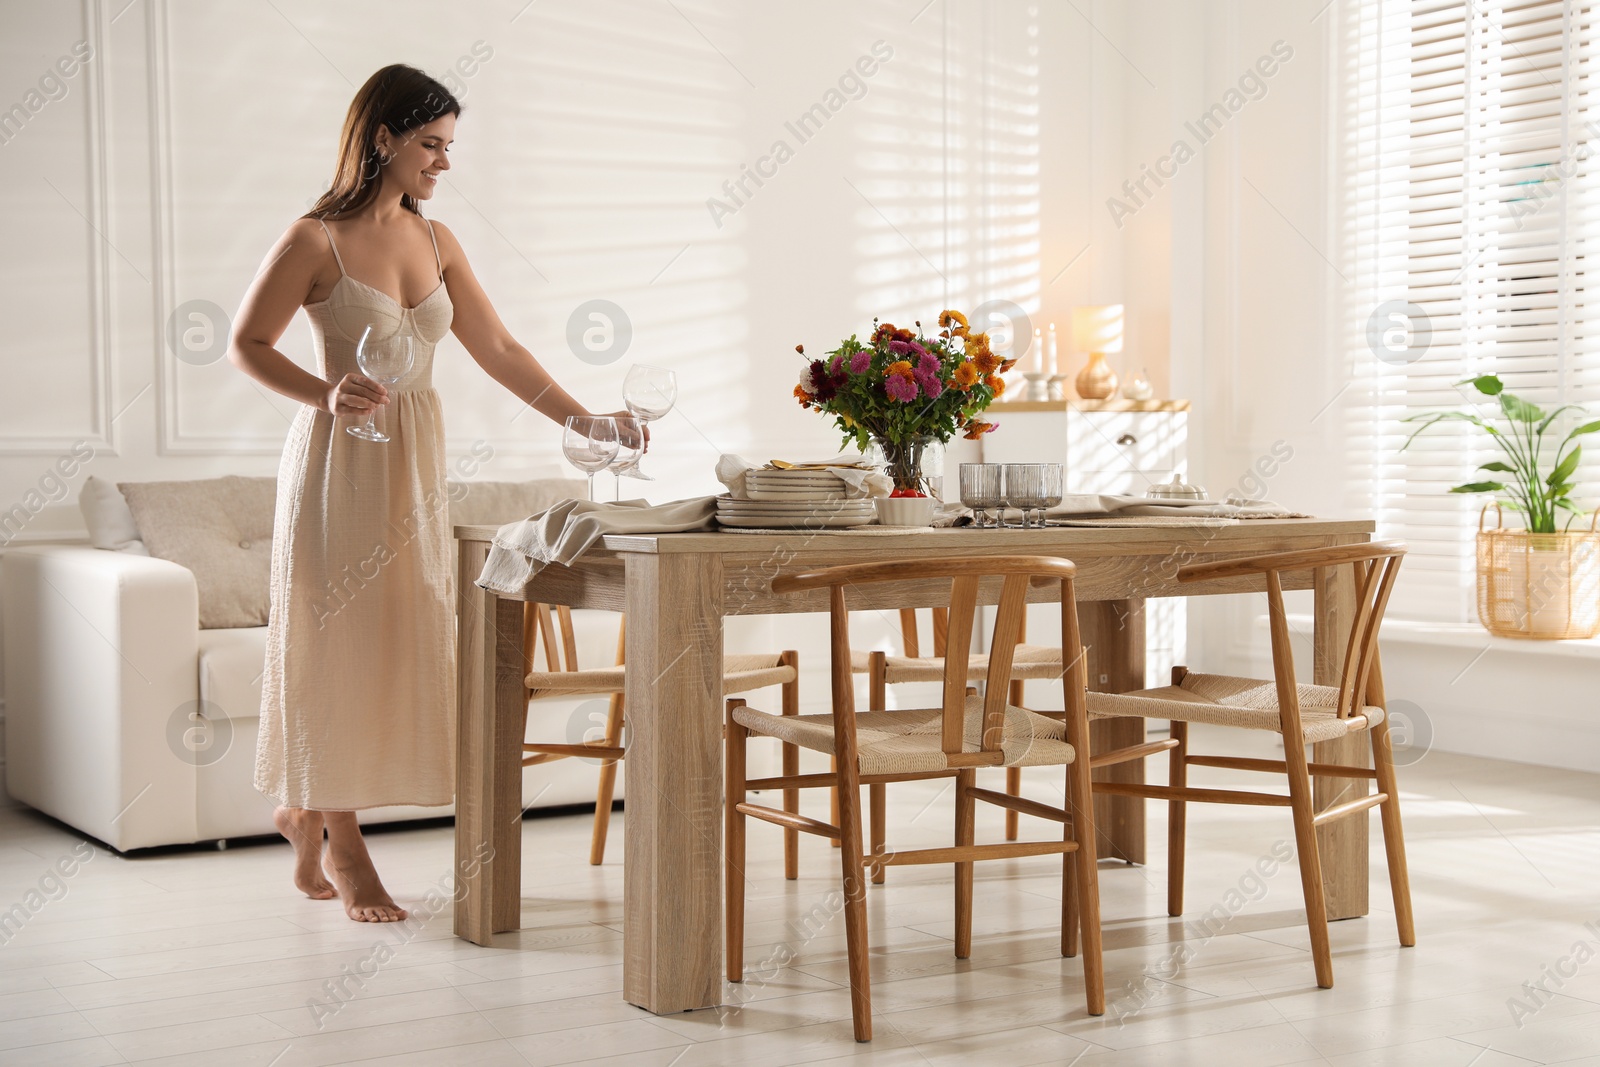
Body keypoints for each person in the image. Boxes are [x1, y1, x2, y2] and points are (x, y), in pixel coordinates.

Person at [229, 64, 613, 922]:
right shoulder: (312, 240)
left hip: (411, 468)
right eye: (431, 145)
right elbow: (246, 343)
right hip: (338, 464)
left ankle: (302, 810)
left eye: (449, 146)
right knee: (332, 642)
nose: (443, 162)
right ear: (383, 138)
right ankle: (346, 844)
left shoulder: (436, 242)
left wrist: (587, 421)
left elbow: (500, 348)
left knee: (397, 634)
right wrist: (323, 392)